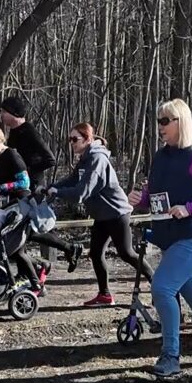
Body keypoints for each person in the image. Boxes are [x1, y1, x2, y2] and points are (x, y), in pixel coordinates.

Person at [127, 99, 192, 378]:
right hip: (169, 237)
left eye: (165, 121)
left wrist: (191, 208)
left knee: (162, 288)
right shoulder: (161, 156)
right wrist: (140, 199)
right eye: (159, 121)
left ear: (180, 122)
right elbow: (157, 194)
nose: (160, 127)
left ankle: (171, 355)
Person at [48, 123, 152, 306]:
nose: (71, 143)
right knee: (95, 253)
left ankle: (158, 284)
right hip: (101, 215)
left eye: (75, 139)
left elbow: (81, 193)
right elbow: (72, 180)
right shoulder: (85, 158)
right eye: (69, 139)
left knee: (127, 253)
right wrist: (52, 188)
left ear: (87, 139)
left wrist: (57, 193)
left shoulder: (97, 159)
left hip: (116, 213)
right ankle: (105, 295)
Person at [0, 94, 80, 269]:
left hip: (33, 189)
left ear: (14, 113)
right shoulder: (14, 133)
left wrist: (25, 173)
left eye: (4, 112)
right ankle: (41, 266)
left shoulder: (29, 131)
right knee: (24, 232)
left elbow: (50, 159)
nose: (2, 116)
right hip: (19, 190)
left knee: (27, 231)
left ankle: (41, 267)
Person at [0, 122, 45, 292]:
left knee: (15, 247)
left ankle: (35, 279)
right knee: (14, 249)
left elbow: (24, 183)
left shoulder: (12, 155)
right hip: (10, 204)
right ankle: (36, 276)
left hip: (22, 204)